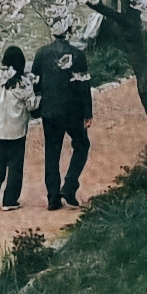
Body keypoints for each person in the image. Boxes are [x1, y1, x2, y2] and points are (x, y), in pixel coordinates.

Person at [34, 30, 95, 208]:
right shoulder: (78, 55)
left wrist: (37, 108)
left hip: (50, 111)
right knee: (82, 145)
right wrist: (88, 112)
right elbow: (84, 84)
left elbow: (35, 83)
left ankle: (53, 197)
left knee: (52, 153)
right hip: (73, 110)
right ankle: (69, 185)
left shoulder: (41, 54)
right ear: (69, 32)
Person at [0, 45, 35, 209]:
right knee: (15, 163)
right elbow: (31, 105)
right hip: (16, 129)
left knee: (0, 158)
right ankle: (10, 200)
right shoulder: (24, 83)